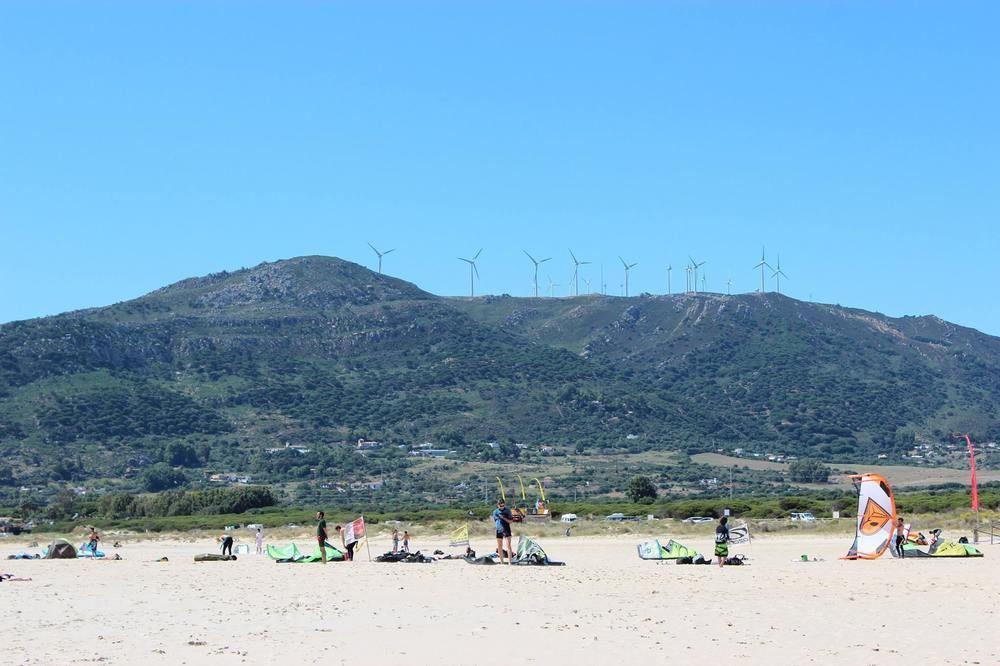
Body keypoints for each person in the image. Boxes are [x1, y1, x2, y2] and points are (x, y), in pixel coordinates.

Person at [492, 499, 515, 564]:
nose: (502, 507)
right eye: (500, 505)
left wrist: (503, 518)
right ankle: (502, 562)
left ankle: (510, 562)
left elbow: (511, 521)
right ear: (498, 505)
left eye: (503, 505)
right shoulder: (495, 512)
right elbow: (496, 521)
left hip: (506, 529)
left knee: (508, 545)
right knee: (499, 546)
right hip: (499, 530)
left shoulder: (507, 511)